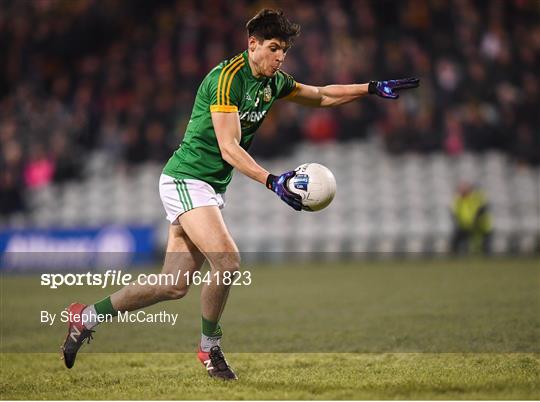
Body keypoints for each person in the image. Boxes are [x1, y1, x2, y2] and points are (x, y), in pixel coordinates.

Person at [61, 9, 420, 380]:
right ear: (253, 45)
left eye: (284, 51)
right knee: (228, 260)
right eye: (274, 48)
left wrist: (370, 88)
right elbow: (229, 147)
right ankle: (209, 349)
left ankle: (84, 317)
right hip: (186, 179)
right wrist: (272, 181)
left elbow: (320, 95)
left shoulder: (272, 81)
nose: (280, 57)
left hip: (209, 187)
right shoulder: (226, 79)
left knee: (173, 285)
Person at [450, 182, 493, 254]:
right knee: (457, 241)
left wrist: (476, 219)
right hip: (467, 226)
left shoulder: (476, 197)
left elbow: (482, 208)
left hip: (481, 226)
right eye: (460, 189)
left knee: (484, 245)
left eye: (463, 188)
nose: (461, 191)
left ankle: (485, 258)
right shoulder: (458, 200)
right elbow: (455, 212)